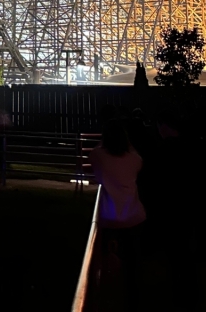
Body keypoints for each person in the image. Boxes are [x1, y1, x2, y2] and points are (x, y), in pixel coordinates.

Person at [89, 118, 146, 308]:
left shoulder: (99, 156)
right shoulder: (134, 159)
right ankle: (134, 301)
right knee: (133, 264)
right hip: (133, 215)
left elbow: (94, 158)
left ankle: (105, 301)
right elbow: (138, 162)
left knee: (107, 263)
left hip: (108, 217)